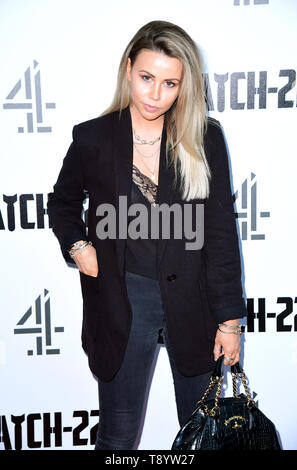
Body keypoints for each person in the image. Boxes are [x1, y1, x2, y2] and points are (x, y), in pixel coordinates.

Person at [47, 20, 248, 450]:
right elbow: (61, 203)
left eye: (170, 83)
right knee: (118, 436)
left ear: (184, 85)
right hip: (123, 300)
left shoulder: (204, 137)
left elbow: (220, 233)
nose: (156, 94)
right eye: (146, 78)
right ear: (128, 70)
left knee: (201, 437)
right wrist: (78, 245)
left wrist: (230, 321)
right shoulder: (93, 138)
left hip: (194, 303)